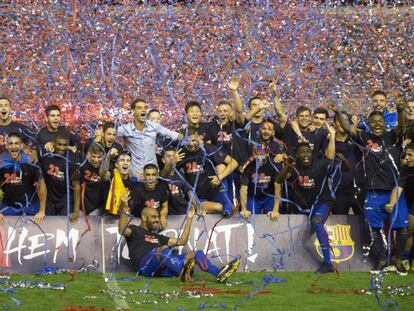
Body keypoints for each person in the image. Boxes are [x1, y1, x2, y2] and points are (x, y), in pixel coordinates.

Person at [333, 103, 408, 275]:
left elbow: (402, 126)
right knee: (373, 228)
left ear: (384, 123)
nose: (376, 124)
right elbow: (346, 127)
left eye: (379, 121)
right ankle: (382, 261)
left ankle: (398, 261)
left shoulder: (392, 136)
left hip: (394, 191)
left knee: (401, 229)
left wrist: (400, 111)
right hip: (373, 192)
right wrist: (337, 111)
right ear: (368, 123)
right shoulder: (364, 137)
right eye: (373, 121)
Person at [272, 139, 344, 274]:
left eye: (308, 152)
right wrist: (288, 166)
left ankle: (328, 262)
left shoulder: (322, 164)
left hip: (323, 202)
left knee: (316, 222)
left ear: (312, 153)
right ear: (297, 155)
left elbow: (344, 169)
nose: (305, 155)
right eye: (302, 152)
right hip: (303, 207)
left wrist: (343, 160)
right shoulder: (295, 167)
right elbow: (278, 180)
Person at [118, 204, 240, 283]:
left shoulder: (158, 237)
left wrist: (190, 218)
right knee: (162, 250)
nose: (157, 220)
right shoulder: (135, 229)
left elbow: (182, 241)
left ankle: (218, 274)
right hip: (145, 266)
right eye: (154, 217)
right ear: (144, 218)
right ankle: (183, 272)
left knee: (196, 254)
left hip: (162, 268)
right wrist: (124, 209)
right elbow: (122, 229)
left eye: (158, 217)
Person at [174, 130, 238, 216]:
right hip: (198, 196)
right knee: (219, 207)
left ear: (198, 138)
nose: (191, 144)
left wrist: (220, 177)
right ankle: (219, 207)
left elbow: (234, 163)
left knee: (221, 166)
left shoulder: (208, 148)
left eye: (193, 140)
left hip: (214, 190)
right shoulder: (180, 153)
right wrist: (172, 163)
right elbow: (169, 174)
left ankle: (225, 202)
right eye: (187, 141)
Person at [117, 98, 183, 177]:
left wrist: (189, 137)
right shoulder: (125, 129)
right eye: (139, 108)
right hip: (135, 174)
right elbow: (109, 134)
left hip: (153, 173)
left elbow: (173, 134)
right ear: (133, 111)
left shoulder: (154, 126)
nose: (143, 110)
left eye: (145, 108)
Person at [0, 133, 46, 223]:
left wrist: (42, 211)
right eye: (10, 143)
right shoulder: (1, 162)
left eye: (17, 143)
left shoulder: (30, 161)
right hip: (8, 207)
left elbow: (41, 186)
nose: (13, 146)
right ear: (6, 146)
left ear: (21, 145)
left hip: (30, 207)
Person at [40, 131, 81, 222]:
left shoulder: (72, 159)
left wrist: (76, 211)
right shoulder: (46, 156)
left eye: (65, 145)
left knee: (64, 225)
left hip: (65, 200)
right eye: (59, 144)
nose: (62, 148)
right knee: (47, 225)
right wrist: (42, 209)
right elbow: (42, 182)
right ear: (53, 143)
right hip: (49, 199)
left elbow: (77, 187)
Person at [330, 112, 365, 215]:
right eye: (339, 120)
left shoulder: (357, 138)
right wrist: (331, 137)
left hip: (359, 188)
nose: (342, 123)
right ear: (334, 123)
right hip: (339, 189)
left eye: (345, 120)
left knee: (364, 222)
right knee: (339, 222)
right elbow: (328, 157)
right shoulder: (328, 140)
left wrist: (354, 127)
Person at [133, 164, 169, 228]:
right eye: (148, 175)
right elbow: (129, 210)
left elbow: (165, 206)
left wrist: (162, 216)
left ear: (157, 175)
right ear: (143, 176)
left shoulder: (162, 186)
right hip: (141, 224)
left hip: (156, 223)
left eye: (153, 175)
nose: (151, 178)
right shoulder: (137, 189)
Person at [79, 143, 108, 215]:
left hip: (97, 207)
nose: (96, 160)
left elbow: (105, 176)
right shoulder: (82, 165)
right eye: (93, 156)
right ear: (89, 155)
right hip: (82, 206)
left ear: (103, 157)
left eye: (99, 157)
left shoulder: (105, 169)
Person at [400, 143, 414, 271]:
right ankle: (405, 259)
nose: (407, 158)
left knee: (410, 229)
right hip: (407, 201)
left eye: (410, 155)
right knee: (410, 230)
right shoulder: (405, 168)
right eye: (406, 155)